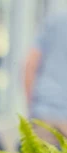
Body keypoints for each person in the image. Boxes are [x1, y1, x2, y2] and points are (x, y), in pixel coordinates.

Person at [24, 9, 67, 144]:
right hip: (47, 114)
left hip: (44, 115)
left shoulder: (55, 20)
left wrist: (32, 107)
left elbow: (30, 66)